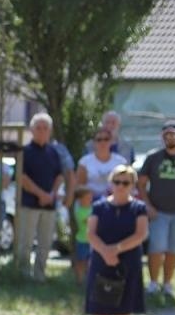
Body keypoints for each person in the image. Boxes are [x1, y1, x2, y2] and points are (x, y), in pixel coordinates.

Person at [86, 164, 149, 315]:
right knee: (101, 310)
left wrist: (117, 249)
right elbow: (91, 234)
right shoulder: (99, 206)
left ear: (132, 185)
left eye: (126, 183)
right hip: (102, 263)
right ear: (111, 183)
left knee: (124, 311)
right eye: (117, 182)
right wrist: (105, 251)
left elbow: (141, 235)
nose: (121, 186)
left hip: (127, 263)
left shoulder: (138, 208)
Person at [137, 121, 175, 297]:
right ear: (162, 137)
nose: (170, 137)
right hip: (158, 211)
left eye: (174, 134)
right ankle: (153, 283)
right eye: (167, 134)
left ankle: (167, 283)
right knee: (156, 247)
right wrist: (147, 205)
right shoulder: (153, 157)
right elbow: (141, 184)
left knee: (173, 250)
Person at [15, 113, 66, 281]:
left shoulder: (53, 152)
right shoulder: (25, 152)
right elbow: (22, 178)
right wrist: (41, 194)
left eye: (45, 128)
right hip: (29, 204)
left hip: (49, 206)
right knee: (26, 243)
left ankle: (39, 276)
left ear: (50, 131)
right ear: (32, 130)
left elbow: (59, 176)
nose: (42, 131)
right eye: (38, 128)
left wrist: (51, 194)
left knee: (45, 244)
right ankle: (23, 275)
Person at [76, 126, 128, 200]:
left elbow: (126, 183)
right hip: (90, 200)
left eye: (106, 139)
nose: (102, 142)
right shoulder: (84, 162)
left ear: (111, 141)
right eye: (99, 139)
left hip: (115, 199)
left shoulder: (121, 162)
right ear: (94, 142)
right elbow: (79, 186)